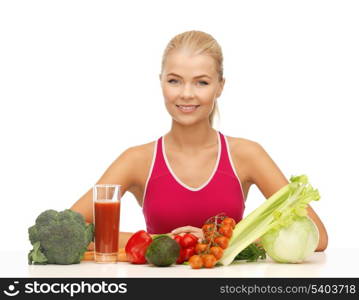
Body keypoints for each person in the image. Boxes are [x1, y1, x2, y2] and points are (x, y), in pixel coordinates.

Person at [71, 30, 328, 251]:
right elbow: (71, 229)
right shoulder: (137, 160)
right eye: (174, 81)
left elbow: (317, 236)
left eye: (201, 82)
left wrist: (218, 240)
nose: (186, 94)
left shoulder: (247, 154)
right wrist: (164, 241)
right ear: (161, 82)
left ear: (220, 86)